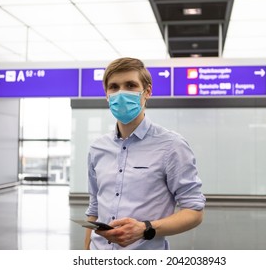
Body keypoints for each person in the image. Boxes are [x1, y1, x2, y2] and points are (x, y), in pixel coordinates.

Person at [84, 57, 205, 250]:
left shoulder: (171, 146)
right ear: (107, 94)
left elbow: (194, 211)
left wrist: (145, 228)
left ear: (147, 91)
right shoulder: (98, 148)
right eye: (114, 87)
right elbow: (94, 208)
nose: (121, 93)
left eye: (130, 85)